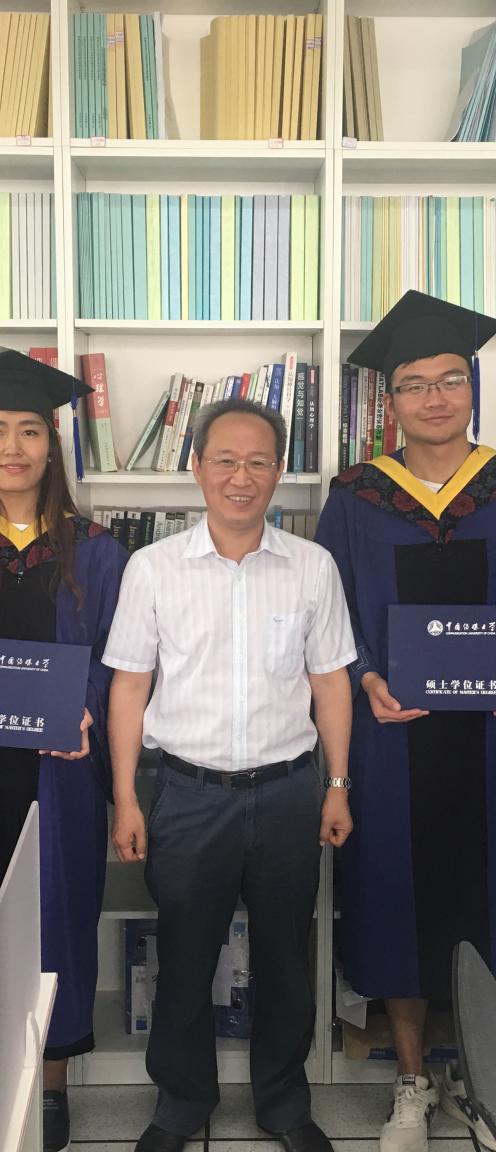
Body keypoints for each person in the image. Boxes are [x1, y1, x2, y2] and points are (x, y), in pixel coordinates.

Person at [103, 397, 356, 1152]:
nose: (240, 477)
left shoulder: (312, 566)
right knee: (184, 961)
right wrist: (126, 798)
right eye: (225, 460)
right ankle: (182, 1104)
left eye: (257, 462)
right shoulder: (153, 569)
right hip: (186, 795)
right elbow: (129, 686)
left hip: (288, 793)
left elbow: (331, 682)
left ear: (278, 471)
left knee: (286, 960)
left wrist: (337, 784)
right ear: (197, 467)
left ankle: (284, 1104)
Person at [315, 291, 496, 1152]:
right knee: (398, 898)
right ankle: (414, 1082)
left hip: (491, 742)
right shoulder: (357, 497)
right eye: (415, 384)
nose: (435, 398)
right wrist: (366, 674)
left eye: (451, 380)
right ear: (390, 401)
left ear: (472, 388)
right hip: (391, 739)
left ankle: (490, 1080)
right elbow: (326, 616)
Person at [0, 349, 128, 1152]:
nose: (12, 448)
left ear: (51, 446)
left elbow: (119, 659)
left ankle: (48, 1084)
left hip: (62, 771)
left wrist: (84, 712)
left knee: (54, 922)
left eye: (28, 430)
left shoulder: (95, 550)